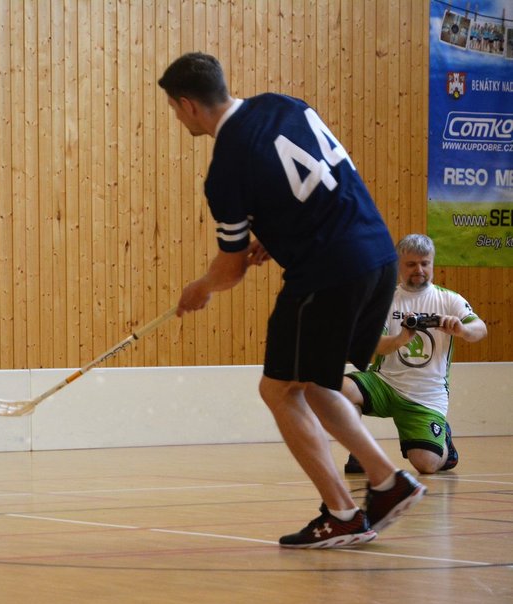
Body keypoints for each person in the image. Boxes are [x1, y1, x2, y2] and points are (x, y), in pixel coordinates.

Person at [158, 52, 426, 548]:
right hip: (376, 258)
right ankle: (384, 486)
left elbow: (230, 268)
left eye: (174, 109)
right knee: (315, 383)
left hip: (327, 273)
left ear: (189, 105)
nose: (177, 118)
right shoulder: (285, 105)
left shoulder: (226, 167)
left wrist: (200, 288)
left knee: (279, 390)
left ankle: (352, 506)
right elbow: (321, 179)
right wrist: (280, 232)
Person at [342, 233, 487, 475]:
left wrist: (462, 329)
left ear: (432, 264)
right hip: (384, 383)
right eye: (411, 264)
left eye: (424, 263)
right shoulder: (386, 299)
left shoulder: (449, 299)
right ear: (399, 265)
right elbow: (375, 345)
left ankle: (445, 447)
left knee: (426, 465)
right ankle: (361, 453)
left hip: (426, 396)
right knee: (340, 389)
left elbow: (480, 329)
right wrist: (400, 339)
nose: (418, 269)